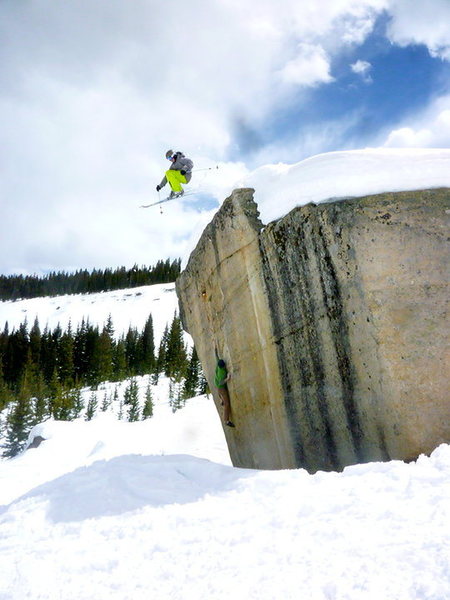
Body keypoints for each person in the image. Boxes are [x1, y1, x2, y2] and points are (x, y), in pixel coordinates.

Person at [214, 358, 235, 428]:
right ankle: (226, 420)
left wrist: (215, 349)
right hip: (221, 388)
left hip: (216, 385)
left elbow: (217, 357)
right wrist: (228, 378)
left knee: (221, 396)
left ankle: (221, 400)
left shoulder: (218, 366)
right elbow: (221, 382)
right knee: (227, 404)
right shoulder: (221, 372)